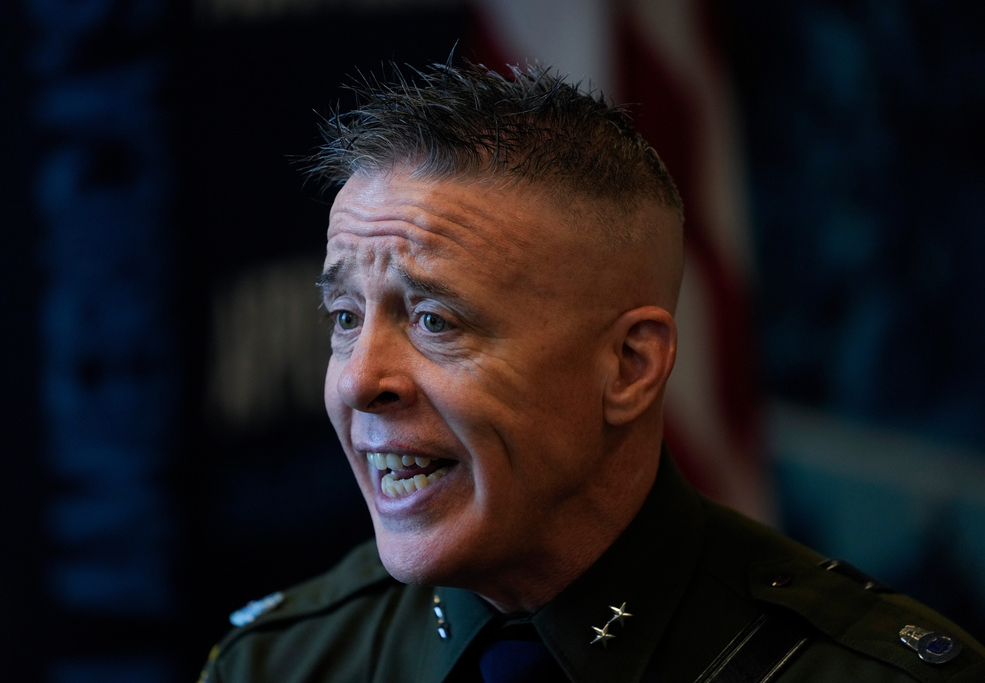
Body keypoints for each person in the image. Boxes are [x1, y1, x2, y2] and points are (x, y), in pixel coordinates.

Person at [198, 61, 984, 682]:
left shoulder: (861, 670)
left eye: (436, 320)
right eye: (345, 318)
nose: (357, 381)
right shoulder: (278, 662)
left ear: (630, 366)